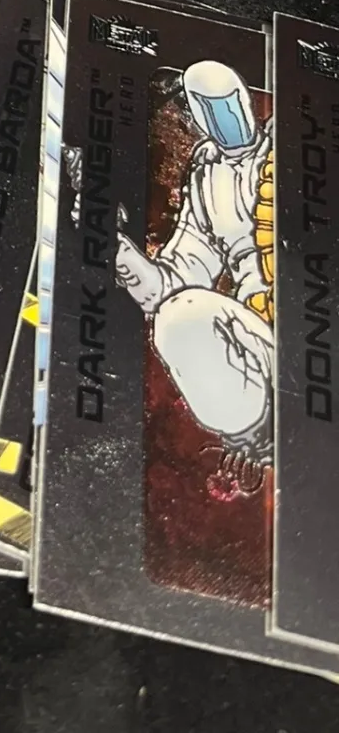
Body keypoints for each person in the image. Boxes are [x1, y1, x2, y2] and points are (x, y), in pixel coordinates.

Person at [114, 60, 273, 486]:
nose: (221, 119)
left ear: (243, 100)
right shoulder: (208, 174)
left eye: (226, 105)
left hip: (319, 310)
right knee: (178, 318)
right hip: (266, 340)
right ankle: (257, 434)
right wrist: (120, 255)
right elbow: (180, 278)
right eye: (207, 107)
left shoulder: (299, 143)